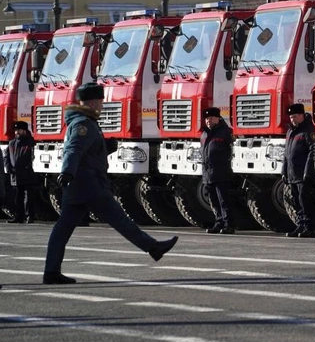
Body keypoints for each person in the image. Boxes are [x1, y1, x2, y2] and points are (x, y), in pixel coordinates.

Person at [43, 82, 178, 285]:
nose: (102, 105)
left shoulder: (85, 122)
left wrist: (105, 147)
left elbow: (86, 152)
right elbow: (74, 150)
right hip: (90, 185)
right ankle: (154, 248)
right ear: (92, 102)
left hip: (80, 185)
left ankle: (51, 272)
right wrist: (67, 172)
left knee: (63, 229)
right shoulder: (84, 124)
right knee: (120, 220)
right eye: (100, 101)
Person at [282, 103, 315, 238]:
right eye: (291, 117)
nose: (293, 120)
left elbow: (312, 151)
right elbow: (286, 154)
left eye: (295, 116)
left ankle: (308, 227)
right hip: (292, 173)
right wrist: (284, 171)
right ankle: (300, 225)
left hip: (302, 174)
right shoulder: (290, 131)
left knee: (304, 201)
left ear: (302, 115)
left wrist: (307, 171)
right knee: (296, 201)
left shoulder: (308, 130)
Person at [201, 107, 235, 234]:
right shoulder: (204, 134)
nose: (208, 121)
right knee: (214, 201)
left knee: (223, 200)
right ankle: (219, 222)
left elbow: (231, 150)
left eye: (211, 118)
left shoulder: (225, 132)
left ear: (218, 118)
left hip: (221, 172)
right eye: (207, 119)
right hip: (208, 173)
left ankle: (228, 225)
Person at [4, 121, 38, 224]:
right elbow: (6, 157)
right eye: (15, 130)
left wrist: (28, 167)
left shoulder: (30, 142)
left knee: (28, 197)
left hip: (27, 174)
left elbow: (32, 157)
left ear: (24, 130)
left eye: (19, 130)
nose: (17, 132)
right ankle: (19, 217)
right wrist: (9, 168)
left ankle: (29, 216)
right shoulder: (12, 143)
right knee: (17, 197)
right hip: (15, 175)